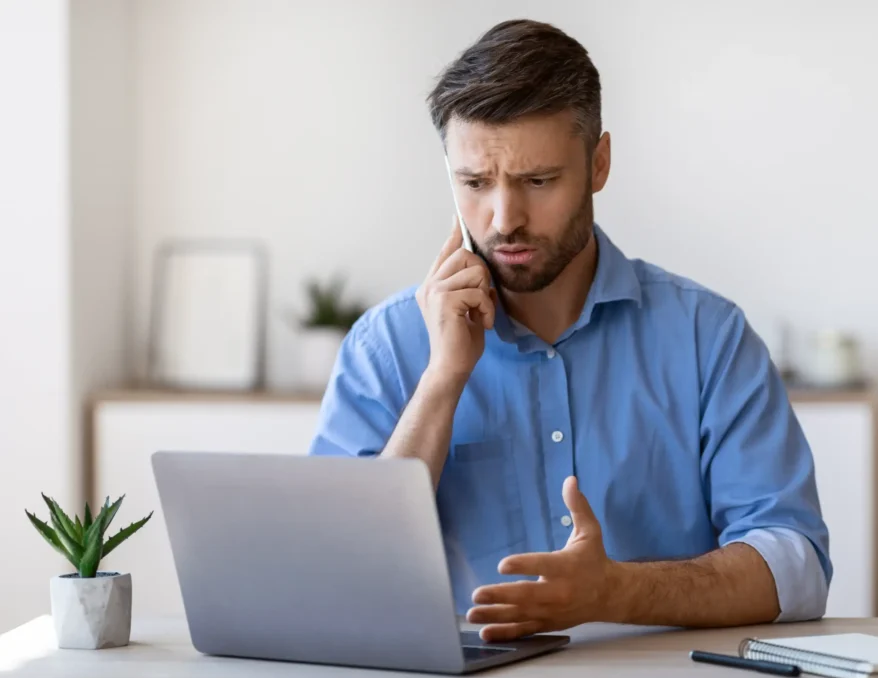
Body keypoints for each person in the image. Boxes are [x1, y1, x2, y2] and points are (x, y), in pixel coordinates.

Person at [310, 18, 830, 642]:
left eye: (538, 181)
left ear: (599, 163)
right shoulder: (383, 348)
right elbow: (337, 578)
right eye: (474, 184)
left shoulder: (707, 337)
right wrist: (443, 380)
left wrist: (617, 592)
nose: (504, 218)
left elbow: (795, 567)